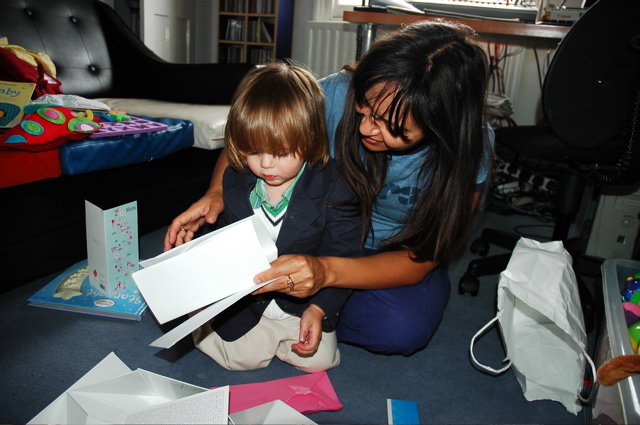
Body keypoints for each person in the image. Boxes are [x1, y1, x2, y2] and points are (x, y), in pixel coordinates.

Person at [166, 21, 493, 356]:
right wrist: (216, 193)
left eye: (393, 127)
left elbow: (423, 257)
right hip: (315, 234)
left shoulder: (470, 148)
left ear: (441, 126)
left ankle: (291, 309)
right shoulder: (335, 92)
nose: (367, 128)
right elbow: (254, 136)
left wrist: (325, 274)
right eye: (364, 106)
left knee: (398, 329)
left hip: (392, 255)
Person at [189, 63, 362, 373]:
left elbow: (343, 255)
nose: (266, 164)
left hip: (301, 303)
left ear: (310, 139)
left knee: (319, 362)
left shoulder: (337, 186)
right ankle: (201, 321)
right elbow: (217, 236)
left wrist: (319, 309)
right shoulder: (235, 179)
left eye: (281, 153)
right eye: (254, 151)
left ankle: (275, 334)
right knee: (240, 360)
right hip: (247, 300)